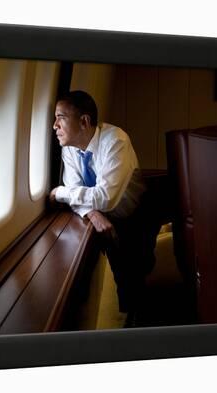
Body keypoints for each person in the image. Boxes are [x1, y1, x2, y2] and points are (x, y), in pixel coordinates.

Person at [49, 90, 157, 326]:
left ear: (84, 121)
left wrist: (60, 192)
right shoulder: (69, 148)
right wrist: (91, 213)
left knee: (138, 276)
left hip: (135, 214)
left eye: (61, 117)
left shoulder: (115, 140)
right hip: (106, 215)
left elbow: (105, 197)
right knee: (120, 280)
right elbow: (81, 194)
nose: (54, 125)